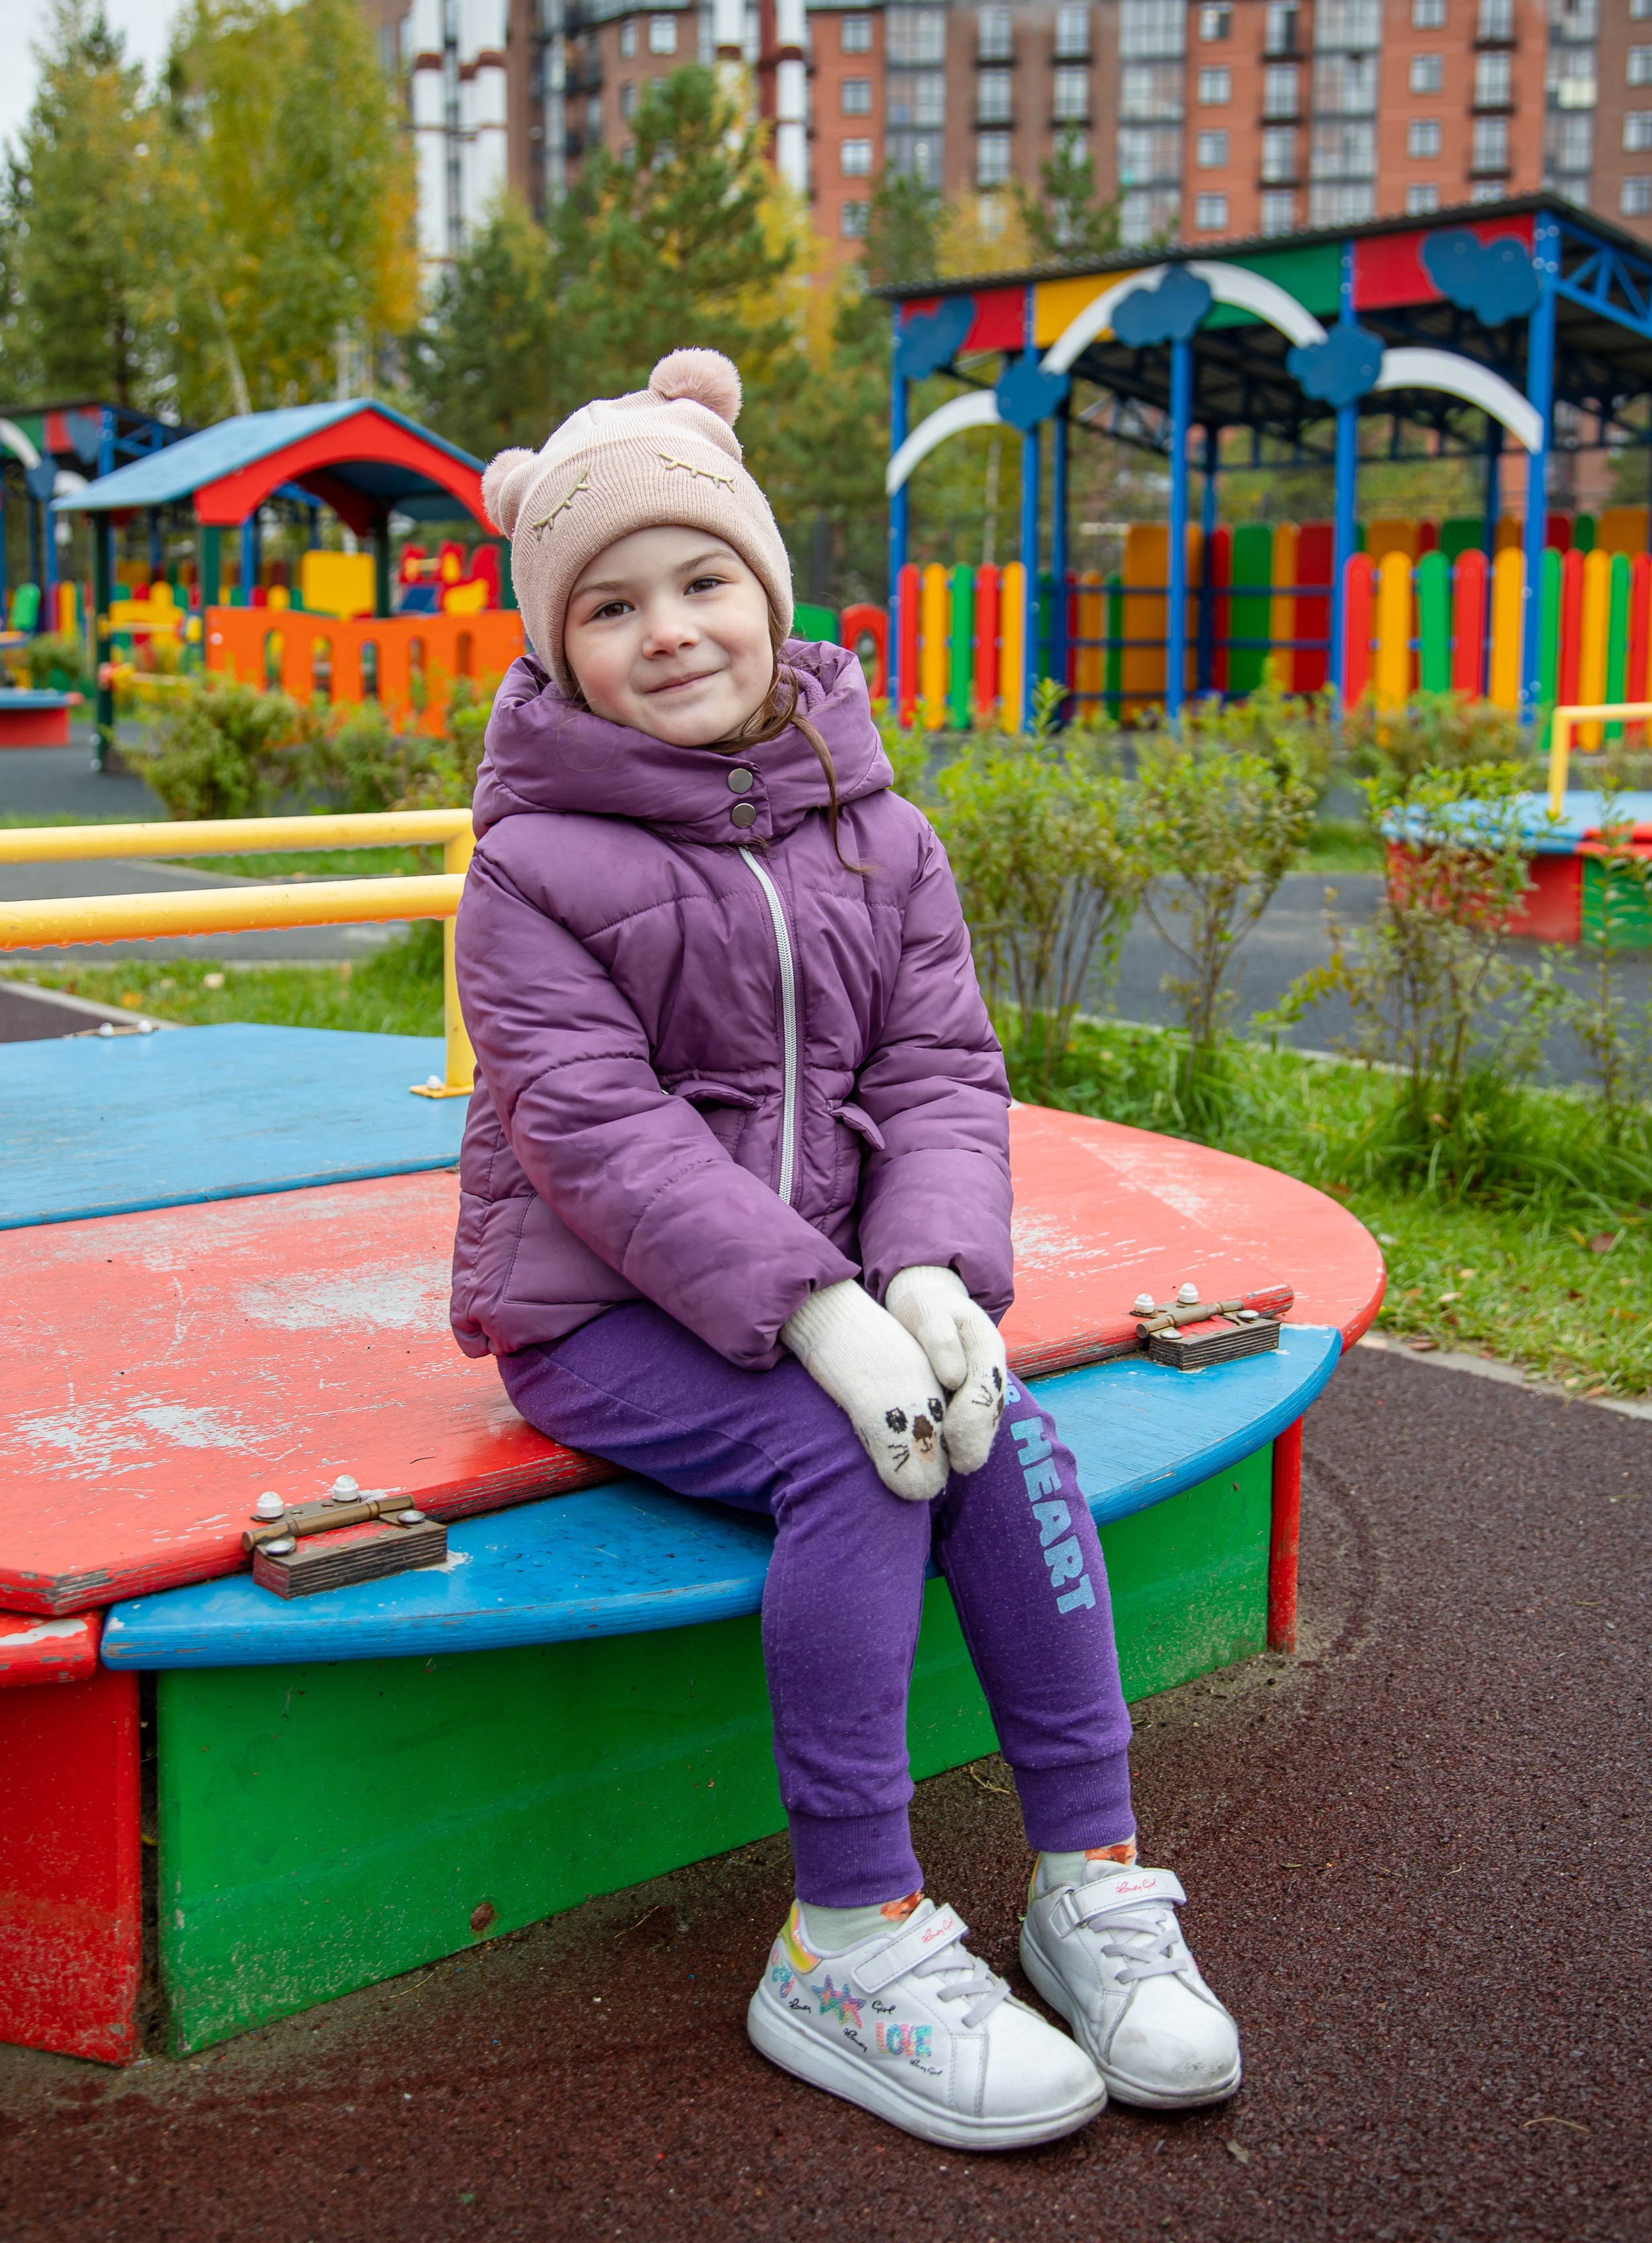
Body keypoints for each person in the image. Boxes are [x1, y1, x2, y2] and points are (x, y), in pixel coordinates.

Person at [453, 347, 1241, 2151]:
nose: (669, 630)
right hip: (603, 1309)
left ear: (770, 589)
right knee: (859, 1467)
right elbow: (597, 1137)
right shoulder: (532, 870)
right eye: (612, 604)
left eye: (704, 578)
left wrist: (936, 1277)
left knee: (1003, 1433)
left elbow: (943, 1075)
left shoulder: (883, 834)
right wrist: (815, 1312)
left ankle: (1091, 1879)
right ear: (554, 647)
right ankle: (848, 1933)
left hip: (856, 1284)